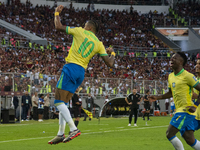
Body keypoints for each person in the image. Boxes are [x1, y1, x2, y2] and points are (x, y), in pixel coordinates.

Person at [48, 5, 115, 144]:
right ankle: (60, 133)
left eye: (85, 25)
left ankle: (73, 129)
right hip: (81, 72)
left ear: (89, 28)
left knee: (58, 101)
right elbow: (110, 63)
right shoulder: (99, 43)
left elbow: (58, 27)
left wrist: (56, 13)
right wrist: (112, 53)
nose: (83, 27)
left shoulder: (79, 31)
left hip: (71, 67)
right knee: (64, 103)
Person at [149, 52, 200, 150]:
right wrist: (157, 97)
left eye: (174, 58)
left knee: (169, 133)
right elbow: (170, 93)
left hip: (186, 111)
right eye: (171, 58)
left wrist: (195, 105)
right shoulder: (170, 76)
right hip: (179, 110)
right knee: (189, 139)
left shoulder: (187, 76)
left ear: (181, 62)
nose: (171, 60)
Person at [180, 58, 200, 149]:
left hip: (196, 110)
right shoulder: (196, 79)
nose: (197, 65)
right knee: (184, 131)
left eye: (199, 64)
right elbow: (195, 95)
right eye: (196, 63)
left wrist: (195, 105)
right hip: (196, 115)